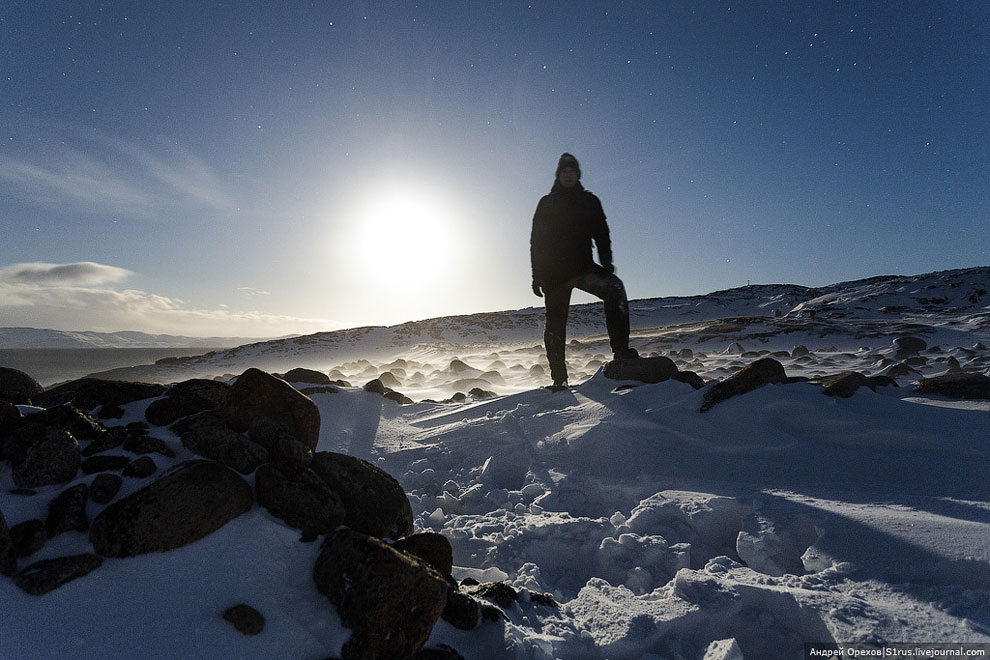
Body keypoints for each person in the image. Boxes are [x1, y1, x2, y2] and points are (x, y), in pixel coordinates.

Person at [530, 153, 637, 390]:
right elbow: (537, 241)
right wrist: (537, 275)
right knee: (556, 324)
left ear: (578, 175)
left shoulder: (590, 201)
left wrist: (606, 261)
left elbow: (602, 232)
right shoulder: (547, 203)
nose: (568, 175)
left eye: (572, 171)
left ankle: (621, 353)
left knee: (615, 289)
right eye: (564, 172)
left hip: (584, 268)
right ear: (558, 175)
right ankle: (559, 378)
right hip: (555, 275)